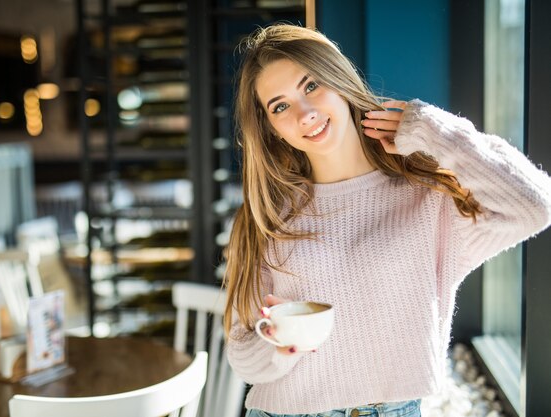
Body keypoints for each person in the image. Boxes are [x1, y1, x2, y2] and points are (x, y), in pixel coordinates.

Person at [222, 23, 551, 417]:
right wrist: (277, 344)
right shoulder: (266, 215)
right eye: (280, 106)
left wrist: (433, 131)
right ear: (271, 129)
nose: (305, 113)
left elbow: (534, 205)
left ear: (339, 80)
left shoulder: (427, 199)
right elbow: (242, 355)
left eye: (311, 86)